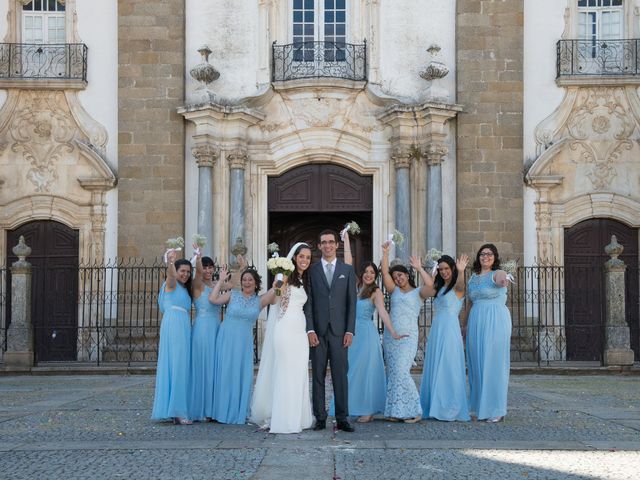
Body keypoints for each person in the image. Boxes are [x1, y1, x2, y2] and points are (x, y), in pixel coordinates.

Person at [329, 232, 407, 423]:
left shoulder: (376, 292)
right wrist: (346, 239)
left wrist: (393, 332)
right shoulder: (354, 286)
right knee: (350, 370)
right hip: (350, 334)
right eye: (367, 272)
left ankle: (368, 409)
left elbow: (382, 312)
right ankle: (350, 406)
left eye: (373, 273)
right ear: (362, 274)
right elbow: (348, 263)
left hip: (367, 335)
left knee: (365, 372)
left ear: (375, 275)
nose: (369, 275)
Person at [249, 243, 314, 433]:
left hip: (299, 330)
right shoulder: (284, 276)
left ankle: (297, 417)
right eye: (302, 256)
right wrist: (279, 280)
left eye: (308, 258)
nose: (305, 260)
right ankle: (282, 418)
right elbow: (276, 298)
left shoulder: (304, 281)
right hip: (284, 327)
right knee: (285, 371)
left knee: (299, 372)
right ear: (294, 258)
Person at [304, 229, 357, 432]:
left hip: (339, 332)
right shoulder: (313, 270)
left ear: (337, 245)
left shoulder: (347, 270)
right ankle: (319, 417)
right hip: (318, 332)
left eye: (331, 242)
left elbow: (352, 303)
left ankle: (342, 417)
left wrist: (349, 331)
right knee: (317, 376)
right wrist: (310, 330)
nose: (327, 245)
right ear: (319, 246)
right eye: (323, 242)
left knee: (340, 376)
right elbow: (308, 303)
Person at [210, 265, 276, 424]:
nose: (247, 282)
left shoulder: (260, 300)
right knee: (225, 372)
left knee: (241, 374)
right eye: (244, 279)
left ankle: (238, 410)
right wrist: (220, 281)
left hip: (244, 341)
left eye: (250, 280)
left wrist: (281, 276)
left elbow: (277, 293)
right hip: (227, 338)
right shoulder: (232, 295)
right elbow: (213, 299)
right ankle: (221, 410)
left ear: (256, 283)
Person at [188, 253, 244, 422]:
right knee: (203, 366)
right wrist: (197, 258)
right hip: (203, 328)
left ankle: (213, 408)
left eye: (210, 267)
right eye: (204, 267)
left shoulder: (216, 284)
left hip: (217, 328)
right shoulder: (197, 285)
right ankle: (202, 409)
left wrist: (241, 269)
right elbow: (197, 274)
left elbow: (233, 284)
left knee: (215, 366)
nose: (207, 270)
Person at [380, 242, 431, 423]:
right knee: (393, 373)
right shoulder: (393, 291)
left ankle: (416, 411)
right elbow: (384, 273)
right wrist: (385, 253)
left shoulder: (419, 292)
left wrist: (419, 268)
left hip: (408, 337)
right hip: (391, 337)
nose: (397, 279)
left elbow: (432, 287)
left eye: (400, 275)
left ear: (407, 275)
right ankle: (396, 411)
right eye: (395, 277)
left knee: (402, 372)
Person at [419, 254, 471, 422]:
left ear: (452, 269)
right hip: (437, 330)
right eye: (441, 269)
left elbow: (462, 285)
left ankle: (449, 407)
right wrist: (420, 268)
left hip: (450, 330)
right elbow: (428, 286)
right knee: (436, 365)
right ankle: (435, 405)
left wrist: (461, 271)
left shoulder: (457, 287)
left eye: (446, 269)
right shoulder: (439, 288)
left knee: (449, 366)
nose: (443, 272)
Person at [464, 243, 512, 423]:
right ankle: (479, 406)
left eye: (489, 254)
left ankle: (496, 408)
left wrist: (503, 279)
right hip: (476, 320)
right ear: (478, 257)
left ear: (495, 257)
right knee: (476, 363)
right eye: (482, 254)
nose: (485, 257)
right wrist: (464, 325)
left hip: (495, 320)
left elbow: (502, 278)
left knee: (493, 363)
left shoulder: (497, 274)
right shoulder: (472, 278)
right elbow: (469, 303)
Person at [151, 250, 193, 425]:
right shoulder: (171, 284)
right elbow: (170, 276)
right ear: (175, 271)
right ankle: (177, 411)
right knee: (177, 365)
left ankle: (175, 408)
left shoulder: (184, 288)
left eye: (188, 272)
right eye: (182, 270)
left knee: (179, 366)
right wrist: (170, 262)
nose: (185, 274)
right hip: (174, 325)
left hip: (182, 325)